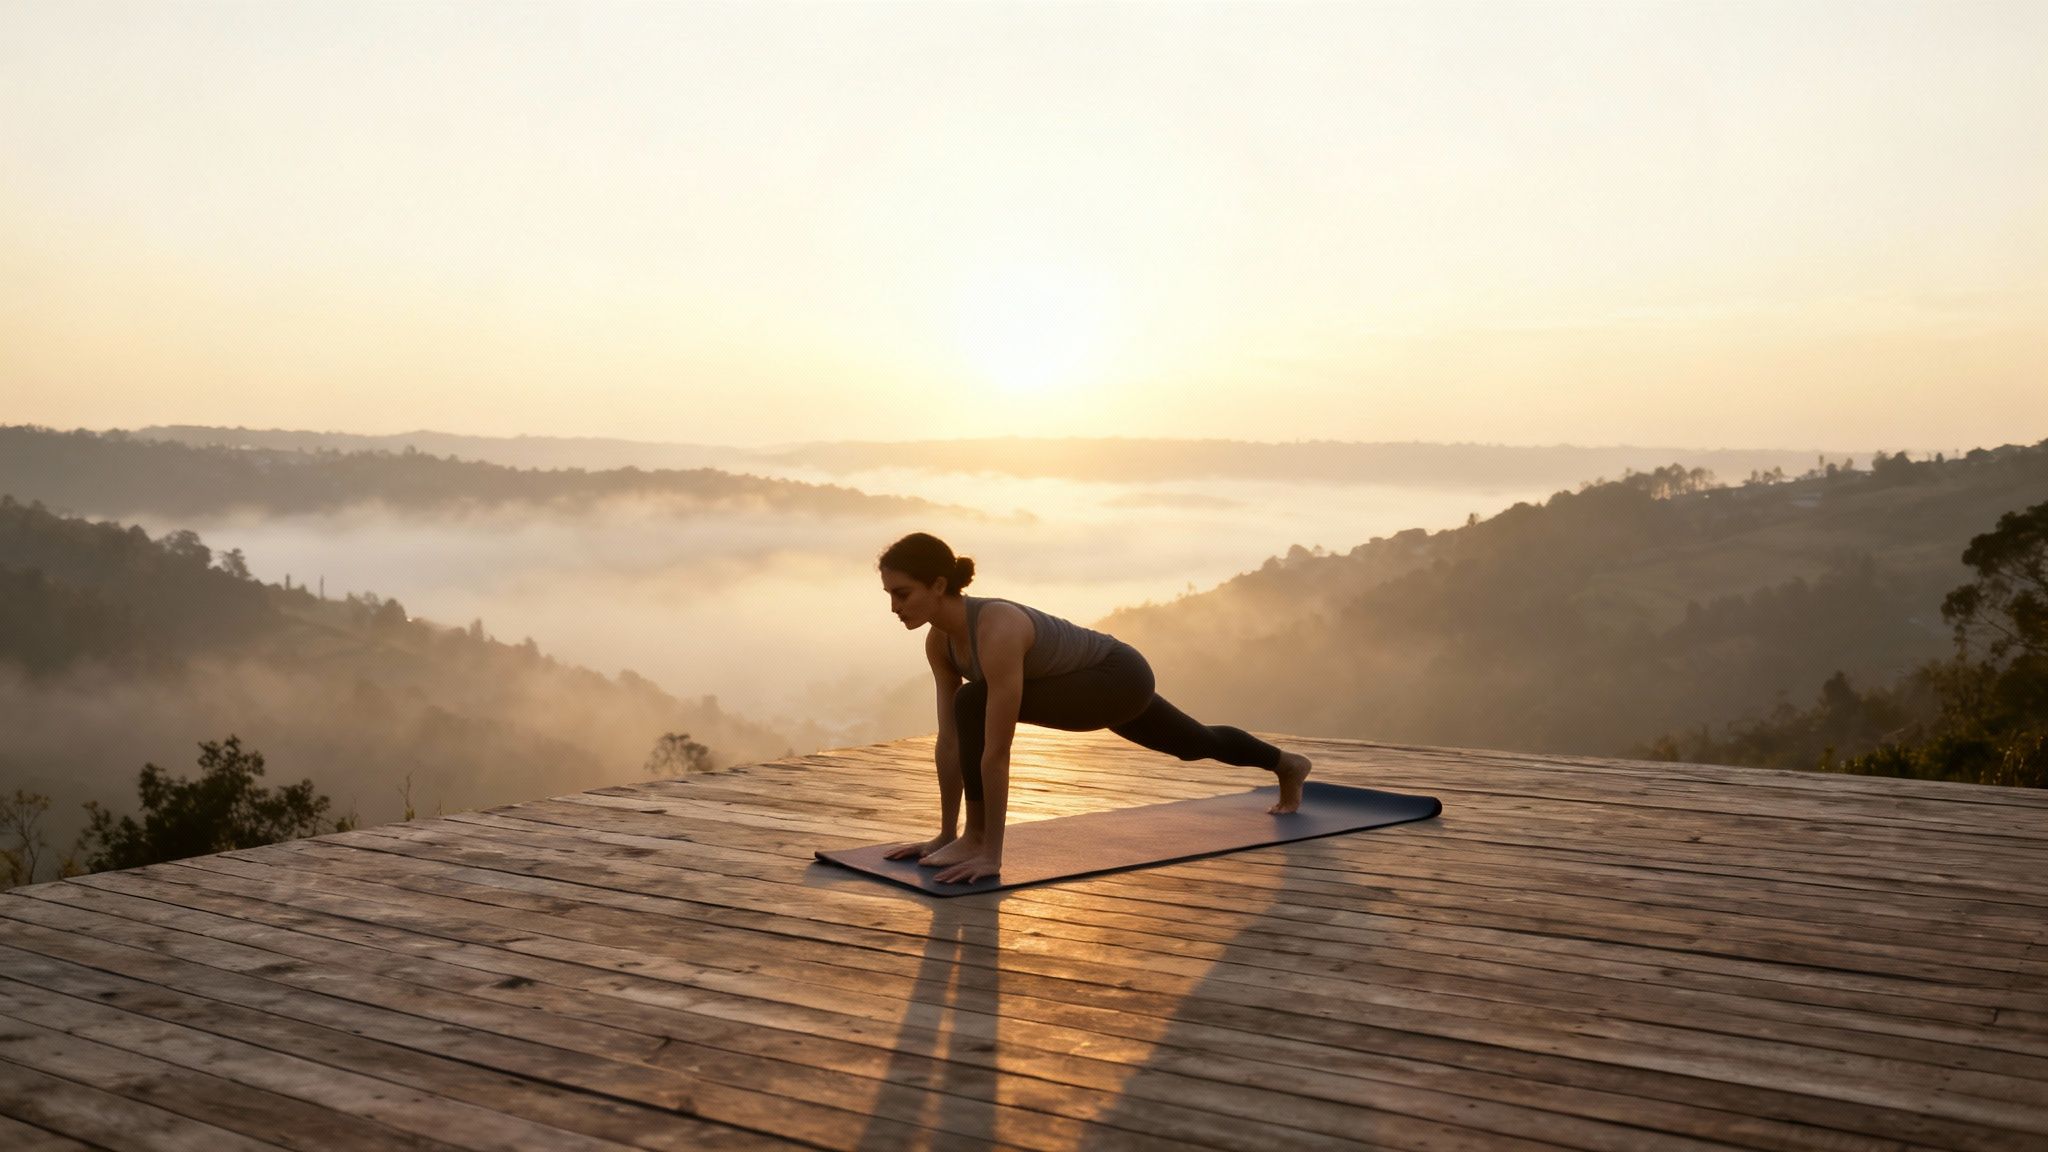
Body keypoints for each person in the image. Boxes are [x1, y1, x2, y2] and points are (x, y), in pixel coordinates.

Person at [876, 532, 1313, 884]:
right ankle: (1286, 764)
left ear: (937, 585)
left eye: (903, 594)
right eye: (889, 596)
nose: (894, 607)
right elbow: (951, 742)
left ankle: (977, 837)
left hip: (1117, 677)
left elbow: (996, 750)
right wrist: (943, 835)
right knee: (1194, 742)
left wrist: (989, 851)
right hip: (1077, 686)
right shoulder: (940, 643)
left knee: (971, 699)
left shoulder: (996, 628)